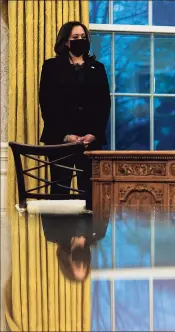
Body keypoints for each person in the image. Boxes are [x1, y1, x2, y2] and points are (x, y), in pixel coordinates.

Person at [39, 21, 111, 209]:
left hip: (90, 141)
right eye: (75, 38)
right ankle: (62, 238)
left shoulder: (98, 68)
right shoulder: (51, 67)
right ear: (65, 41)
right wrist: (66, 135)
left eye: (83, 37)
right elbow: (47, 104)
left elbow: (104, 104)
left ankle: (88, 237)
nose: (81, 40)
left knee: (90, 195)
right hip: (60, 140)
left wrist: (94, 133)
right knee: (59, 192)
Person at [42, 213, 109, 282]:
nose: (82, 262)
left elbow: (47, 205)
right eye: (85, 265)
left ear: (67, 261)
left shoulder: (52, 233)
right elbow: (105, 207)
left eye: (78, 265)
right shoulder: (99, 233)